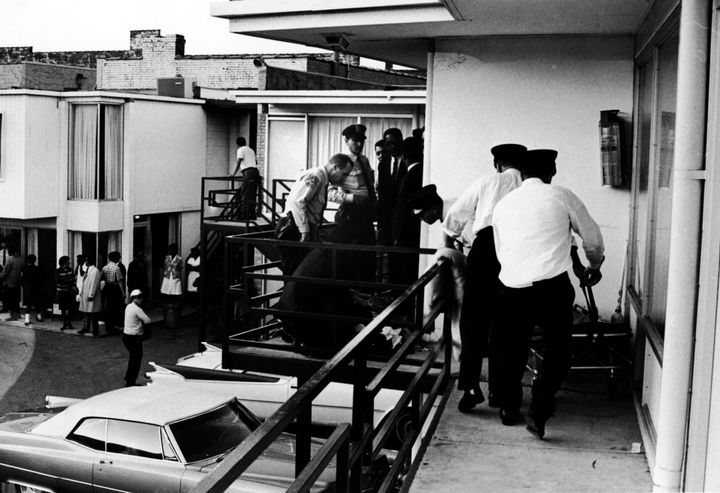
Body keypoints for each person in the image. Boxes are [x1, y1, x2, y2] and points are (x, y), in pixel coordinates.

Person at [492, 149, 604, 438]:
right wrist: (594, 264)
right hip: (550, 286)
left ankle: (509, 408)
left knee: (511, 349)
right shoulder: (561, 195)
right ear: (551, 172)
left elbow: (500, 249)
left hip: (511, 286)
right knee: (559, 349)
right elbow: (591, 238)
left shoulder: (504, 204)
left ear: (523, 175)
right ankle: (540, 406)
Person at [442, 143, 526, 413]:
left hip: (485, 250)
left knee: (473, 322)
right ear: (521, 164)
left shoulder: (486, 181)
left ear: (497, 164)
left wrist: (458, 243)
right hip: (515, 251)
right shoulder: (528, 184)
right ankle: (500, 392)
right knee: (508, 324)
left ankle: (469, 387)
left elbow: (453, 220)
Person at [275, 153, 353, 274]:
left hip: (300, 228)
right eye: (344, 174)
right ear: (335, 167)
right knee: (295, 272)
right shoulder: (316, 176)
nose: (344, 179)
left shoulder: (322, 179)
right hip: (294, 229)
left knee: (302, 271)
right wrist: (304, 232)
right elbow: (297, 202)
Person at [328, 124, 377, 245]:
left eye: (362, 141)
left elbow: (370, 185)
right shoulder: (341, 162)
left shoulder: (364, 160)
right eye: (355, 140)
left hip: (366, 212)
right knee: (349, 255)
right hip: (350, 214)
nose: (360, 144)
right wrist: (351, 198)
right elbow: (328, 192)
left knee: (367, 251)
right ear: (346, 141)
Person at [389, 136, 424, 286]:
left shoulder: (409, 176)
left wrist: (397, 235)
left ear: (403, 156)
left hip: (405, 235)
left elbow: (402, 209)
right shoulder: (423, 172)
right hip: (416, 233)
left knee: (404, 274)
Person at [377, 128, 407, 246]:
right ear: (385, 145)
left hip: (403, 219)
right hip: (387, 219)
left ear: (401, 142)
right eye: (389, 144)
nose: (393, 146)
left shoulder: (408, 160)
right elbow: (382, 193)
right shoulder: (384, 163)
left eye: (395, 142)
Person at [123, 289, 151, 387]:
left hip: (126, 336)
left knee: (133, 359)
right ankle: (130, 382)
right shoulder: (137, 309)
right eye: (139, 298)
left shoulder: (128, 307)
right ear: (135, 299)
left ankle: (129, 379)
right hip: (134, 338)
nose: (141, 300)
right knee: (136, 360)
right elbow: (147, 320)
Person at [232, 136, 260, 220]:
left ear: (237, 144)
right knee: (252, 193)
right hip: (255, 171)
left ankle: (244, 215)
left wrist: (233, 173)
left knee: (245, 193)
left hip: (248, 172)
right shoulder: (251, 150)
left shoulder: (240, 150)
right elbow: (256, 162)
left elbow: (239, 161)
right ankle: (252, 214)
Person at [101, 251, 125, 334]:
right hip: (115, 288)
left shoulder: (105, 267)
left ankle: (108, 325)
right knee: (114, 307)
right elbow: (119, 281)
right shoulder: (116, 268)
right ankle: (112, 326)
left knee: (108, 307)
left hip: (107, 287)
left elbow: (102, 278)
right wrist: (123, 292)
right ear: (116, 258)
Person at [78, 257, 102, 336]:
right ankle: (85, 327)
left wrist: (91, 295)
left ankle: (95, 330)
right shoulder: (88, 270)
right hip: (85, 294)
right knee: (86, 313)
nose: (85, 262)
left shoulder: (95, 271)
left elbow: (94, 284)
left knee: (93, 314)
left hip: (91, 295)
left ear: (89, 262)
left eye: (86, 261)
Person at [160, 243, 183, 327]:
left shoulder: (179, 259)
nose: (171, 251)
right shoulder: (166, 258)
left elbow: (180, 268)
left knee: (175, 293)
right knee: (166, 293)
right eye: (170, 249)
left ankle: (176, 313)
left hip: (175, 278)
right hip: (167, 277)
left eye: (173, 249)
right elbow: (163, 266)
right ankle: (166, 313)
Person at [0, 247, 22, 320]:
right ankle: (17, 313)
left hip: (10, 282)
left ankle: (13, 316)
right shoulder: (20, 260)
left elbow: (5, 271)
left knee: (10, 299)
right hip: (17, 282)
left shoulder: (10, 259)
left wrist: (1, 275)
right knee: (16, 300)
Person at [21, 254, 44, 323]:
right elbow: (40, 280)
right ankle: (39, 316)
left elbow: (22, 279)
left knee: (28, 304)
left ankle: (27, 319)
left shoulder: (24, 268)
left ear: (27, 260)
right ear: (35, 260)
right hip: (36, 288)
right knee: (37, 303)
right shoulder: (37, 269)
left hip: (27, 289)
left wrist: (23, 285)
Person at [55, 256, 76, 331]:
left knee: (70, 308)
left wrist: (69, 282)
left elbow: (73, 279)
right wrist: (69, 281)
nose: (69, 262)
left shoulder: (70, 270)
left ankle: (69, 323)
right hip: (62, 291)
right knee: (63, 308)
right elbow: (59, 281)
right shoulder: (58, 271)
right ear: (64, 262)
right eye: (68, 261)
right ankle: (64, 323)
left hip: (69, 292)